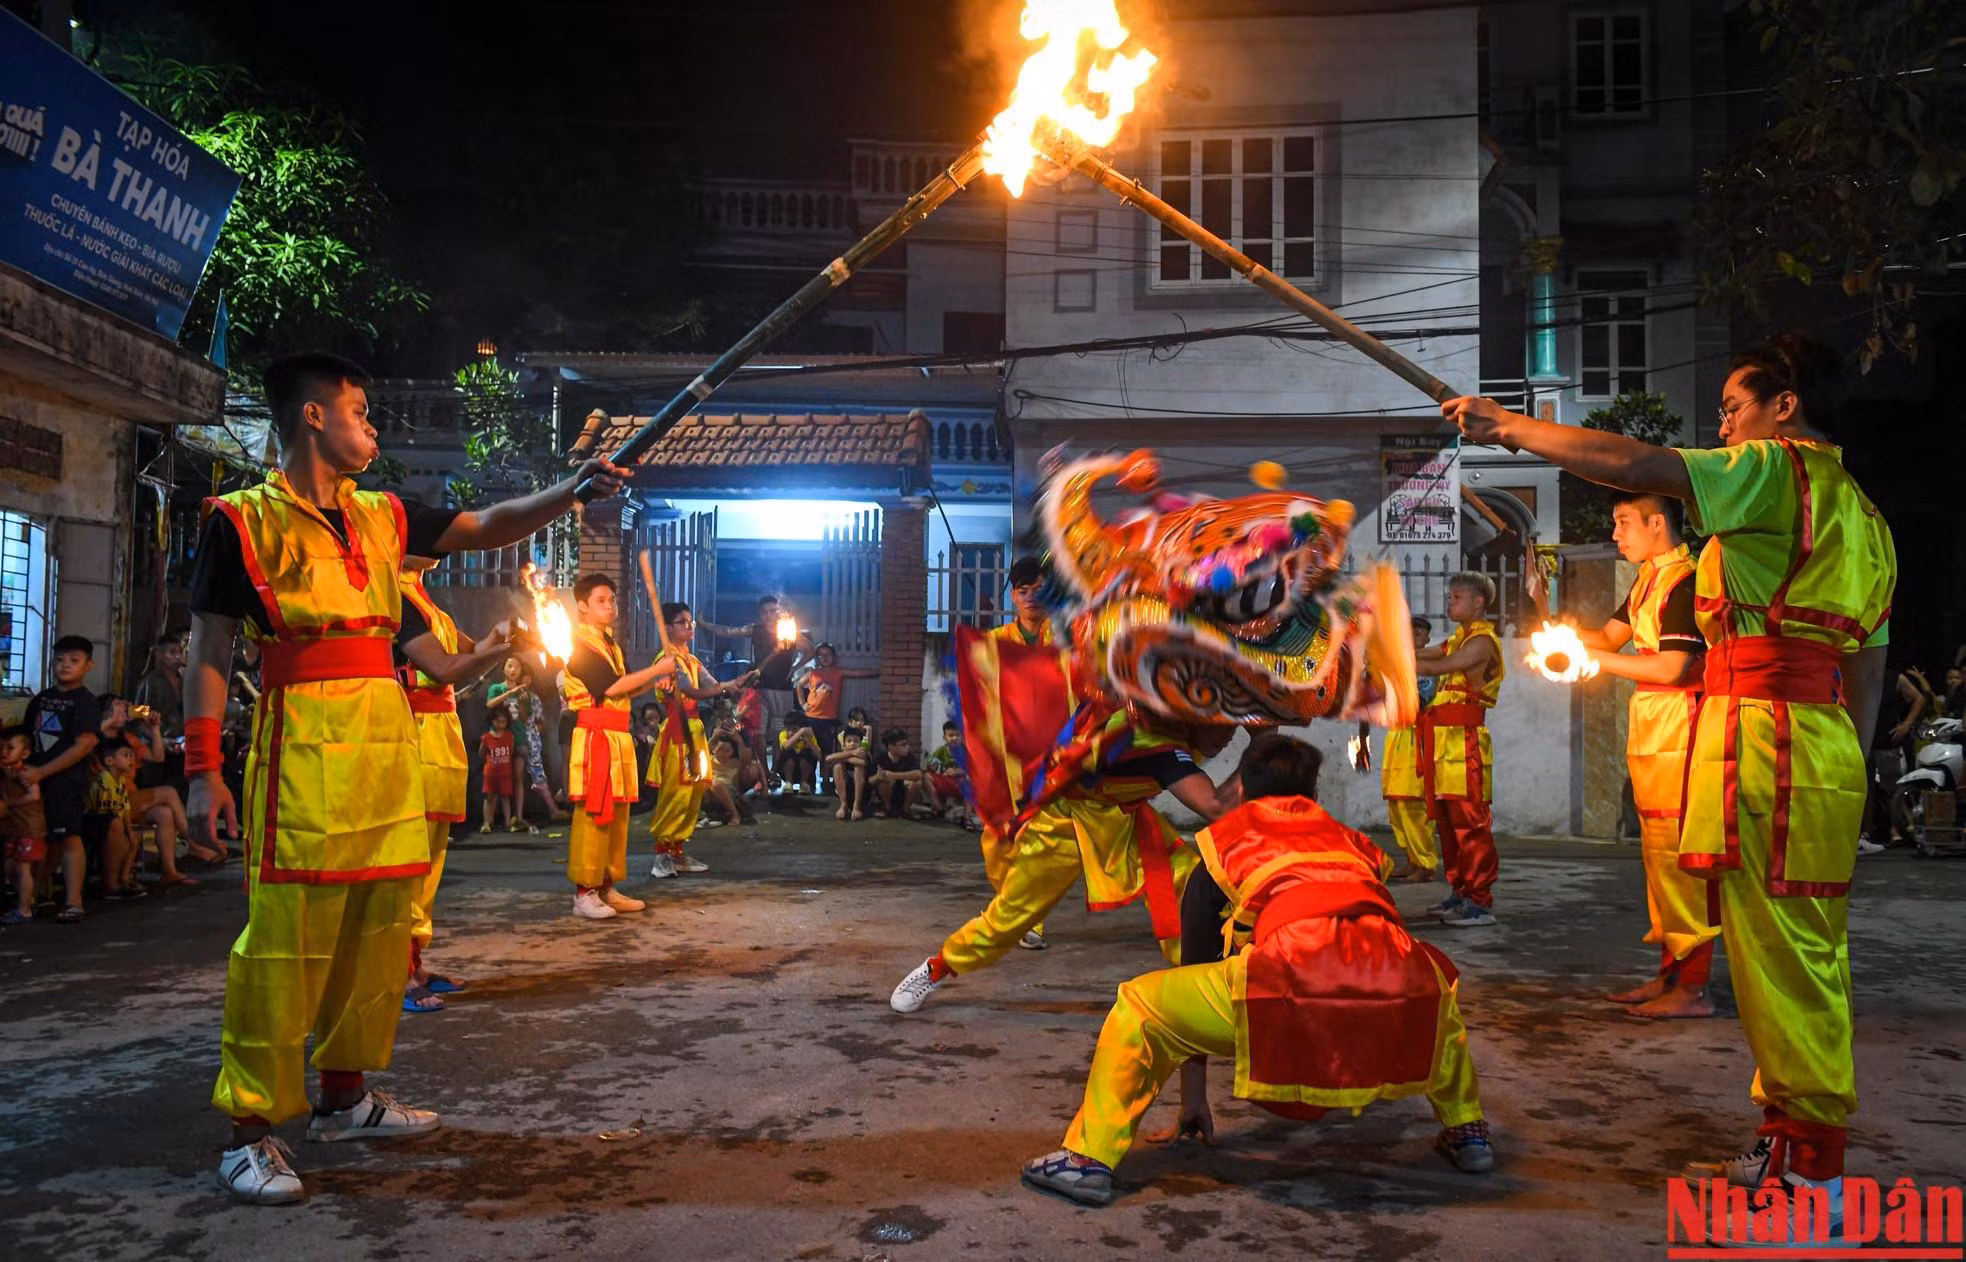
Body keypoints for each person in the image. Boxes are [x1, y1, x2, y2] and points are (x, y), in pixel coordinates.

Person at [1445, 331, 1895, 1220]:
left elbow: (1636, 461)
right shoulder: (1869, 520)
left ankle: (1812, 1168)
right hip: (1823, 745)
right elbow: (1868, 669)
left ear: (1784, 406)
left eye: (1735, 406)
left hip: (1767, 737)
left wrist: (1510, 428)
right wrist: (1855, 768)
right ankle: (1794, 1132)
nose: (1725, 425)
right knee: (1799, 949)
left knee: (1781, 956)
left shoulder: (1776, 470)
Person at [184, 351, 628, 1204]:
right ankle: (250, 1133)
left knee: (382, 927)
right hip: (302, 748)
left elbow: (489, 522)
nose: (372, 427)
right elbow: (208, 653)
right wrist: (204, 770)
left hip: (388, 745)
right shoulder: (240, 521)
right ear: (313, 417)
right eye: (359, 410)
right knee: (286, 940)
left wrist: (572, 490)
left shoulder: (382, 515)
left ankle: (344, 1097)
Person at [1022, 734, 1492, 1206]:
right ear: (1313, 794)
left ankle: (1087, 1161)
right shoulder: (1353, 842)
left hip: (1292, 981)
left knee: (1142, 1006)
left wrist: (1193, 1100)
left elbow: (1198, 962)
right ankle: (1468, 1130)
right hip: (1395, 983)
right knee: (1436, 992)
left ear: (1242, 789)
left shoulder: (1226, 843)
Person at [889, 715, 1231, 1014]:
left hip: (1120, 819)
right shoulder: (1154, 741)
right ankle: (937, 968)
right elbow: (1215, 806)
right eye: (1226, 727)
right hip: (1061, 823)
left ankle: (1209, 980)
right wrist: (1263, 747)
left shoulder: (1167, 729)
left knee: (1187, 881)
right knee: (1008, 917)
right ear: (1197, 718)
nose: (1230, 737)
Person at [1573, 492, 1717, 1017]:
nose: (1616, 533)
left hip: (1683, 722)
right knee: (1659, 857)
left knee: (1683, 858)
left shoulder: (1686, 578)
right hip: (1655, 726)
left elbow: (1673, 668)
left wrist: (1592, 658)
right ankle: (1670, 975)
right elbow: (1607, 639)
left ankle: (1693, 987)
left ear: (1658, 523)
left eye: (1623, 522)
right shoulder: (1646, 582)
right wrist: (1553, 631)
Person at [396, 555, 517, 1011]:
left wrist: (499, 635)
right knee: (409, 854)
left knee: (431, 853)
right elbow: (447, 667)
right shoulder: (392, 596)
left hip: (438, 731)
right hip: (412, 732)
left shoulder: (426, 600)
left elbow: (467, 653)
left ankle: (415, 961)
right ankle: (398, 972)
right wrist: (503, 651)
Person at [563, 574, 675, 918]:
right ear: (582, 605)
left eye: (612, 599)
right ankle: (584, 893)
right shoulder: (578, 647)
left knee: (618, 817)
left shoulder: (610, 644)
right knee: (595, 815)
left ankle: (606, 887)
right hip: (597, 738)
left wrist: (657, 679)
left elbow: (624, 687)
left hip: (617, 737)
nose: (610, 606)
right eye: (601, 600)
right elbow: (610, 688)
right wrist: (657, 668)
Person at [1413, 574, 1506, 929]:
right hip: (1443, 741)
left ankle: (1481, 902)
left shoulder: (1482, 642)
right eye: (1450, 596)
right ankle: (1461, 891)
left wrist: (1400, 662)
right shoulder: (1458, 639)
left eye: (1456, 597)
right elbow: (1424, 653)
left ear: (1478, 602)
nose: (1449, 602)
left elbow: (1439, 666)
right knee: (1450, 826)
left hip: (1465, 741)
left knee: (1471, 824)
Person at [647, 602, 742, 879]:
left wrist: (736, 683)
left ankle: (678, 852)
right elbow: (693, 692)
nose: (690, 626)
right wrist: (725, 686)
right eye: (682, 621)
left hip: (695, 733)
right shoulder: (666, 660)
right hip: (678, 734)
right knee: (676, 795)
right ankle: (661, 856)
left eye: (691, 621)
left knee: (692, 795)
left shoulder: (692, 660)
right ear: (667, 628)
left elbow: (712, 685)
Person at [22, 635, 101, 923]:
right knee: (43, 837)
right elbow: (26, 737)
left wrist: (42, 772)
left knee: (68, 836)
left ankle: (73, 901)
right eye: (60, 659)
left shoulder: (85, 702)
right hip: (33, 779)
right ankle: (37, 896)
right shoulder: (41, 699)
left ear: (88, 665)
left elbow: (84, 744)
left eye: (74, 660)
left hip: (66, 781)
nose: (65, 665)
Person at [705, 594, 814, 776]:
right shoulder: (755, 630)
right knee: (758, 734)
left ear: (779, 612)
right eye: (764, 612)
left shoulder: (788, 631)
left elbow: (811, 650)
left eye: (772, 611)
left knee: (779, 732)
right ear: (760, 614)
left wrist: (794, 668)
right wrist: (703, 624)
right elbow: (729, 631)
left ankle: (776, 771)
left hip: (782, 687)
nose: (768, 615)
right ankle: (765, 772)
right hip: (758, 687)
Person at [1382, 615, 1441, 883]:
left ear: (1427, 639)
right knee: (1396, 804)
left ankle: (1425, 864)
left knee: (1413, 804)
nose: (1413, 635)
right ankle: (1411, 859)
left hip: (1416, 735)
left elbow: (1419, 700)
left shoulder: (1427, 665)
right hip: (1395, 735)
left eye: (1420, 632)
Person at [485, 656, 561, 830]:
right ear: (503, 668)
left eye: (517, 667)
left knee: (518, 778)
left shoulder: (525, 694)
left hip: (519, 739)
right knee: (494, 779)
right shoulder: (496, 688)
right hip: (498, 740)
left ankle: (517, 817)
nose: (513, 670)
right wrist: (509, 694)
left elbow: (526, 719)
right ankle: (489, 820)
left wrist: (520, 703)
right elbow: (489, 705)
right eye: (510, 666)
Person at [83, 741, 143, 900]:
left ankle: (124, 877)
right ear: (110, 761)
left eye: (132, 755)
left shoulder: (121, 780)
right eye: (126, 755)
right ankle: (110, 883)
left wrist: (129, 829)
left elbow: (125, 807)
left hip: (112, 819)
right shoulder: (104, 779)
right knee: (118, 831)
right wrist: (124, 830)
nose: (131, 759)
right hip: (95, 818)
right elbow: (106, 810)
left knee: (134, 839)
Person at [0, 724, 47, 924]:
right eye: (2, 748)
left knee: (22, 867)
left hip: (29, 827)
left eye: (10, 748)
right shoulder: (8, 771)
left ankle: (24, 909)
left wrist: (9, 803)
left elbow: (34, 795)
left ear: (25, 753)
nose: (4, 752)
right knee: (10, 867)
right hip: (15, 827)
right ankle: (27, 899)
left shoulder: (26, 772)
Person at [798, 642, 877, 754]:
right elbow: (799, 685)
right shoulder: (813, 673)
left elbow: (858, 673)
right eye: (821, 655)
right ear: (817, 658)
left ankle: (825, 772)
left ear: (833, 657)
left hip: (829, 719)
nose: (825, 658)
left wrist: (880, 671)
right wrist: (803, 704)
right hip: (811, 717)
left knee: (827, 752)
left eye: (828, 654)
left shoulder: (838, 672)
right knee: (810, 751)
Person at [134, 630, 187, 793]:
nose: (177, 656)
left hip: (179, 748)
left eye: (180, 652)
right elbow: (138, 721)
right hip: (156, 748)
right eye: (172, 652)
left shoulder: (183, 681)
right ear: (159, 654)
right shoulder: (149, 683)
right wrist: (161, 740)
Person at [870, 727, 939, 819]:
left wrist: (892, 775)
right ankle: (887, 808)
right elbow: (870, 781)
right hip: (886, 794)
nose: (907, 747)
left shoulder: (908, 757)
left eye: (907, 744)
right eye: (903, 745)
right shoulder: (880, 758)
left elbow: (918, 773)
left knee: (917, 782)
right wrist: (878, 777)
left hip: (903, 793)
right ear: (891, 746)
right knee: (885, 782)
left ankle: (905, 810)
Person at [925, 720, 979, 830]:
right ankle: (938, 808)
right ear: (944, 738)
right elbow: (930, 767)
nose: (954, 738)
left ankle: (966, 817)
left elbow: (976, 770)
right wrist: (934, 767)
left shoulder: (967, 751)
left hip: (961, 784)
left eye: (957, 735)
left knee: (969, 783)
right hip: (945, 782)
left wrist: (960, 771)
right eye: (950, 735)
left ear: (962, 736)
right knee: (925, 777)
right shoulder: (940, 751)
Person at [480, 708, 519, 833]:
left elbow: (511, 752)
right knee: (489, 797)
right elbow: (482, 754)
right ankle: (486, 823)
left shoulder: (509, 737)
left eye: (504, 722)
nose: (501, 724)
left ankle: (507, 822)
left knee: (505, 797)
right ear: (492, 721)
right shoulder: (486, 737)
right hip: (490, 773)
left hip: (505, 773)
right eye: (498, 721)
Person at [826, 722, 871, 821]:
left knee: (858, 767)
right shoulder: (844, 752)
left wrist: (843, 757)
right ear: (844, 744)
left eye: (855, 741)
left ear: (860, 743)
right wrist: (850, 753)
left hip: (863, 794)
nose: (852, 743)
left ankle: (856, 806)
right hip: (845, 791)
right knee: (837, 766)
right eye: (849, 741)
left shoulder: (862, 754)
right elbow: (828, 758)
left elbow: (862, 763)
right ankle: (843, 805)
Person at [776, 708, 822, 796]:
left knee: (806, 753)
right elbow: (786, 746)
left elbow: (819, 756)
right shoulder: (783, 734)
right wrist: (800, 733)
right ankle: (789, 783)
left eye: (794, 729)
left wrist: (807, 740)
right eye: (788, 729)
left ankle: (804, 784)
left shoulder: (808, 736)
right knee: (787, 753)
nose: (790, 732)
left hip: (806, 772)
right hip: (788, 771)